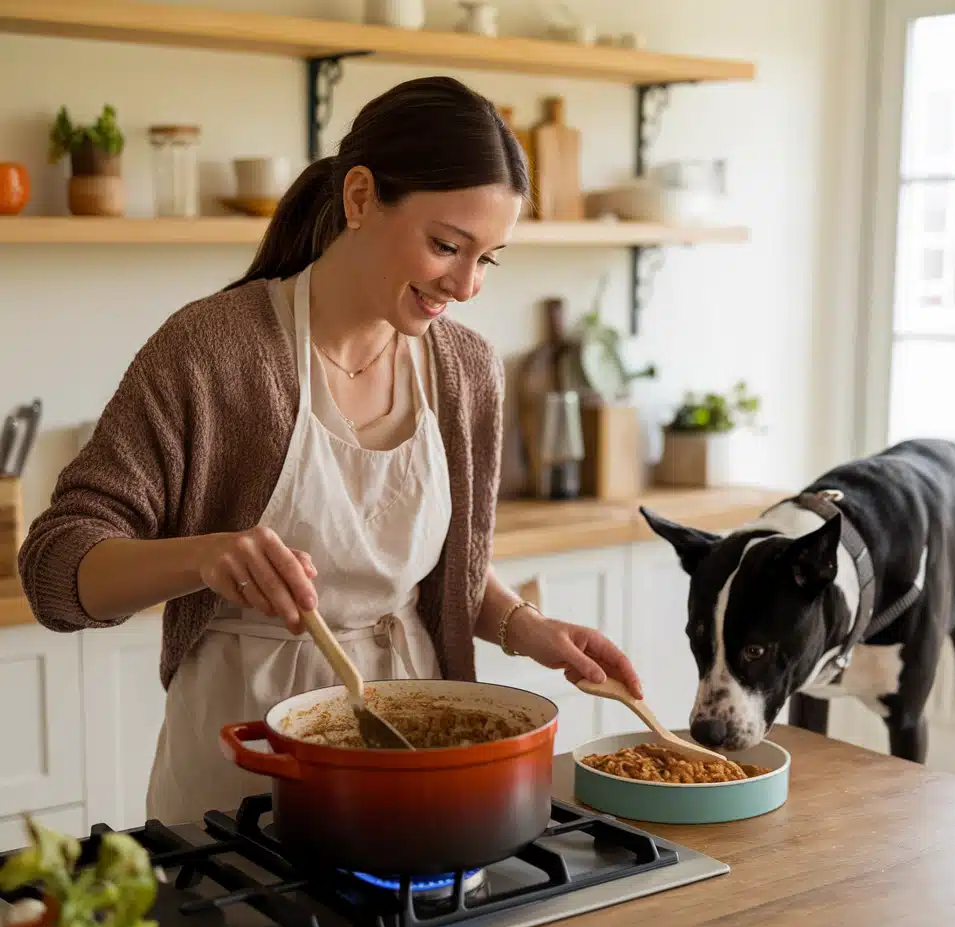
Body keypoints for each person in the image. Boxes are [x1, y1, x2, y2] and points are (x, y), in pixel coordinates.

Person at [19, 76, 643, 824]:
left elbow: (439, 575)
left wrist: (527, 629)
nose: (468, 285)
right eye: (447, 245)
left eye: (490, 258)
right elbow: (56, 569)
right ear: (358, 198)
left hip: (409, 747)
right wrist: (202, 556)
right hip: (240, 764)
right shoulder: (214, 353)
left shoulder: (468, 371)